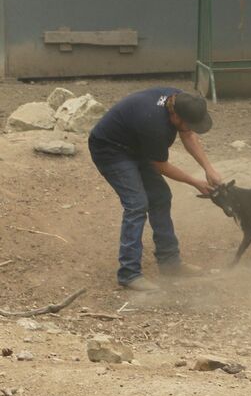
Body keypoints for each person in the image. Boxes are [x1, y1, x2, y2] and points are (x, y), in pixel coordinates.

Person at [88, 87, 223, 291]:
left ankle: (170, 263)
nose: (191, 127)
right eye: (189, 123)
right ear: (175, 116)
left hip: (136, 145)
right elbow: (160, 166)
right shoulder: (154, 124)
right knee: (137, 204)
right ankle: (129, 273)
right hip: (110, 150)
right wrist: (195, 182)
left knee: (160, 196)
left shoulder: (182, 101)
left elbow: (188, 135)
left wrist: (208, 168)